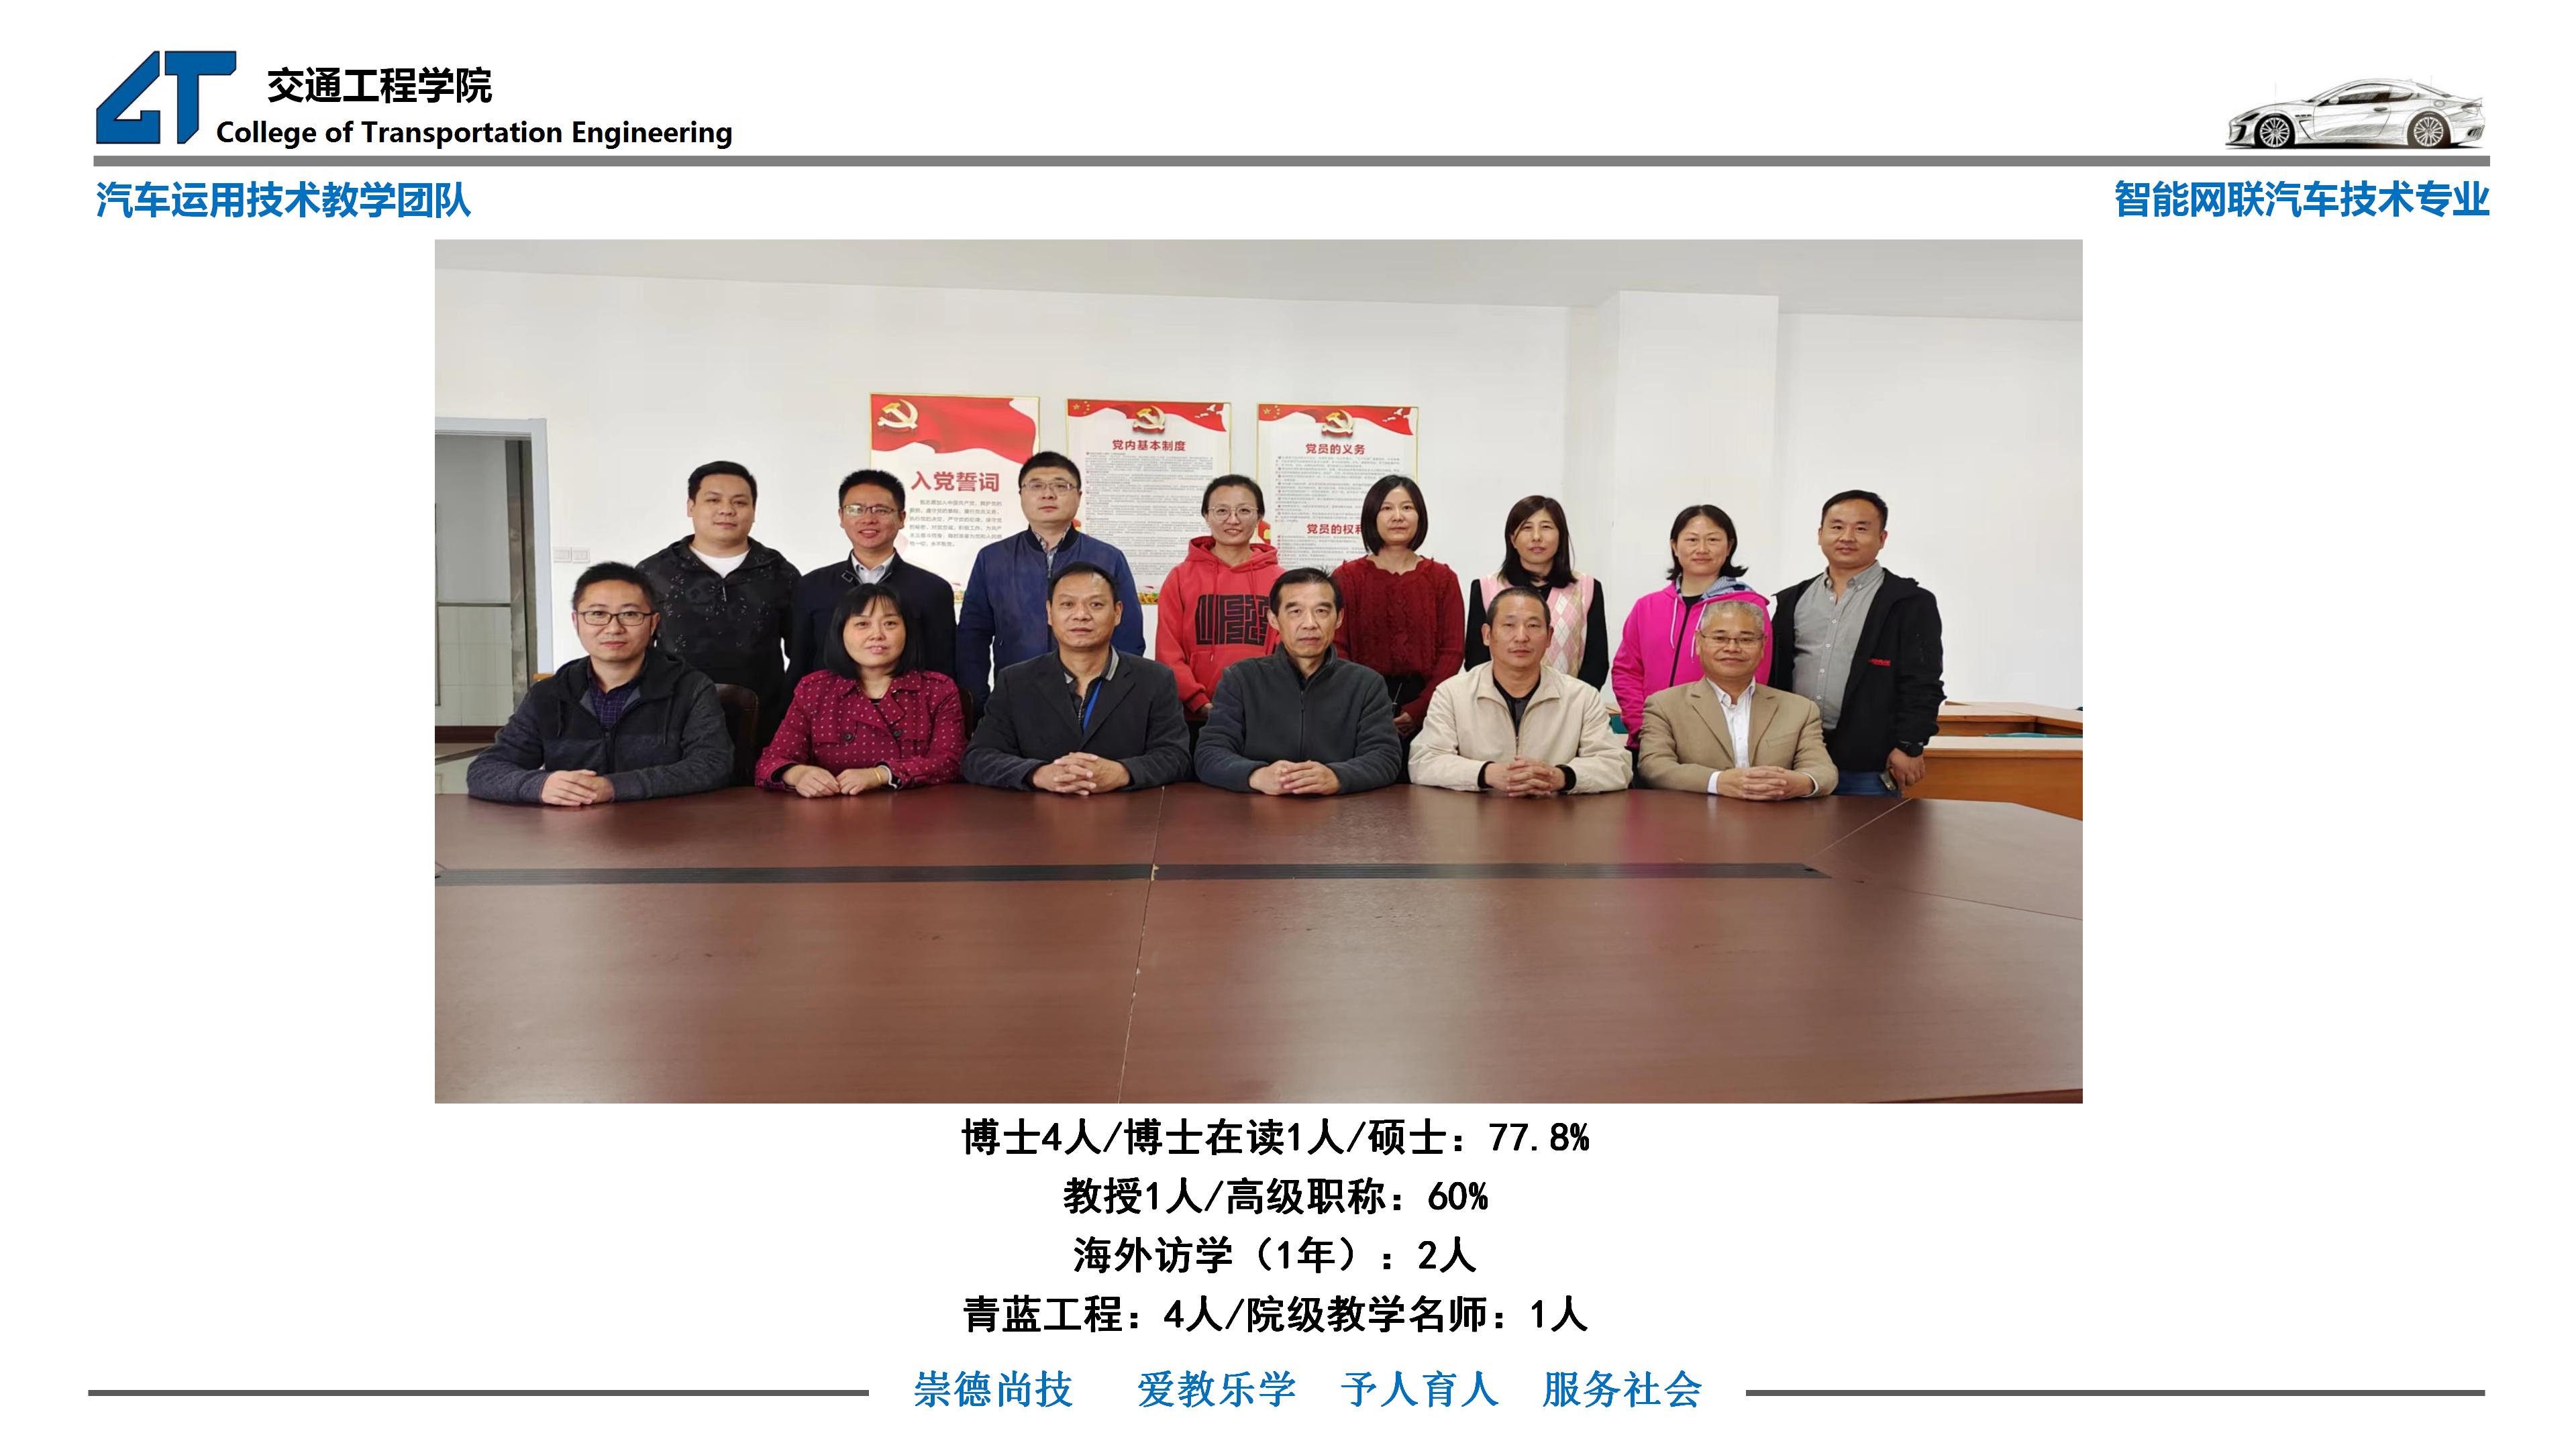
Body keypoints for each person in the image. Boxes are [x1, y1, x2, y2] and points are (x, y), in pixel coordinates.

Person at [466, 563, 732, 806]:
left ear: (653, 623)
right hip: (572, 833)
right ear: (576, 622)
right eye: (597, 614)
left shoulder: (691, 688)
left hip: (664, 829)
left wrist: (613, 787)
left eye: (630, 614)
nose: (613, 628)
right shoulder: (550, 694)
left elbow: (713, 765)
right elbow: (486, 770)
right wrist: (540, 785)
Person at [1765, 490, 1945, 796]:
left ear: (1882, 538)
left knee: (1871, 830)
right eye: (1837, 527)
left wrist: (1910, 745)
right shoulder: (1793, 600)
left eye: (1861, 528)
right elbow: (1776, 676)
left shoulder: (1909, 603)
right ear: (1820, 534)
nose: (1847, 537)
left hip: (1870, 761)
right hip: (1796, 756)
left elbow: (1923, 682)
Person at [962, 561, 1191, 793]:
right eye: (1068, 604)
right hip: (1037, 812)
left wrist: (1122, 773)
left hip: (1129, 812)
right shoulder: (1015, 681)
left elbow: (1176, 756)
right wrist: (1037, 774)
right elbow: (979, 758)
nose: (1081, 615)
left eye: (1096, 604)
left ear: (1118, 613)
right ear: (1050, 613)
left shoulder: (1155, 680)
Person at [637, 460, 800, 775]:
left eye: (740, 502)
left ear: (754, 510)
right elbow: (637, 652)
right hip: (674, 720)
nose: (727, 510)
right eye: (713, 500)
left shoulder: (780, 572)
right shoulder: (654, 573)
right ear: (691, 506)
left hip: (764, 721)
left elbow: (801, 652)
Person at [957, 451, 1145, 710]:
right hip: (1016, 697)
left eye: (1060, 486)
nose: (1048, 494)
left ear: (1079, 496)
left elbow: (1129, 635)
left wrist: (1115, 698)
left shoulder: (1108, 557)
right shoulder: (993, 558)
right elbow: (973, 636)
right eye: (1036, 486)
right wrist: (978, 702)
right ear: (1021, 495)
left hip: (1093, 701)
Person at [1194, 568, 1404, 796]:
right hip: (1257, 810)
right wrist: (1257, 775)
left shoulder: (1366, 684)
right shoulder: (1241, 679)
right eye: (1296, 612)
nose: (1310, 624)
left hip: (1341, 811)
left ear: (1339, 618)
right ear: (1274, 619)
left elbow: (1385, 757)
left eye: (1321, 611)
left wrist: (1337, 777)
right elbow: (1209, 753)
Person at [1408, 586, 1631, 795]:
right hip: (1476, 817)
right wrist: (1487, 773)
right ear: (1487, 635)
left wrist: (1560, 777)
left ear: (1549, 637)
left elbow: (1616, 765)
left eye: (1533, 626)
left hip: (1555, 815)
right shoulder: (1452, 694)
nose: (1522, 637)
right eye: (1509, 625)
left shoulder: (1581, 697)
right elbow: (1424, 761)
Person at [757, 583, 967, 796]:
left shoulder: (937, 690)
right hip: (832, 811)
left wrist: (880, 775)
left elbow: (951, 761)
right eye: (862, 624)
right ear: (841, 632)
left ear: (908, 631)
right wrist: (797, 774)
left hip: (914, 811)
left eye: (890, 623)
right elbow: (771, 761)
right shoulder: (814, 690)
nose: (877, 634)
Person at [786, 469, 960, 702]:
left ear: (902, 518)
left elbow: (942, 666)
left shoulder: (932, 589)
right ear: (841, 516)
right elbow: (800, 661)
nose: (868, 519)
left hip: (911, 711)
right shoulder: (812, 586)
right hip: (827, 711)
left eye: (881, 510)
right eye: (856, 509)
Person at [1635, 600, 1837, 799]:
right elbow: (1654, 767)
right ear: (1698, 642)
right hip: (1695, 817)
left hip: (1776, 815)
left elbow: (1823, 771)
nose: (1732, 648)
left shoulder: (1800, 709)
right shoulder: (1665, 705)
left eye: (1746, 640)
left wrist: (1799, 783)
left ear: (1763, 645)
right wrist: (1718, 782)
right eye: (1720, 638)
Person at [1611, 504, 1773, 748]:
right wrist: (1644, 727)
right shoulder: (1647, 606)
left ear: (1729, 547)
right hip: (1649, 740)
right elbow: (1627, 672)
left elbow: (1755, 676)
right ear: (1675, 546)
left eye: (1713, 540)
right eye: (1692, 540)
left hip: (1717, 745)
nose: (1702, 549)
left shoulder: (1748, 607)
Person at [1330, 475, 1463, 745]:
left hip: (1429, 706)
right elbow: (1337, 646)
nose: (1398, 517)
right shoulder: (1347, 578)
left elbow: (1452, 651)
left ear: (1420, 516)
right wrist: (1365, 704)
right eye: (1387, 508)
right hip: (1359, 701)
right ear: (1372, 516)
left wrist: (1420, 709)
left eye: (1407, 507)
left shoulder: (1442, 579)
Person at [1155, 474, 1283, 723]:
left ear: (1259, 517)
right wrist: (1199, 702)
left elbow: (1287, 649)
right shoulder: (1180, 577)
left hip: (1263, 716)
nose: (1233, 520)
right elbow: (1168, 651)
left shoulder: (1280, 580)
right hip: (1194, 717)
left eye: (1244, 510)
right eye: (1221, 511)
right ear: (1206, 515)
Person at [1463, 494, 1608, 688]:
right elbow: (1476, 660)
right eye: (1527, 528)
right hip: (1498, 702)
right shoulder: (1486, 588)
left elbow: (1596, 662)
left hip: (1569, 703)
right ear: (1512, 539)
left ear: (1561, 536)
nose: (1537, 537)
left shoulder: (1587, 588)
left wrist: (1576, 701)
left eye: (1546, 527)